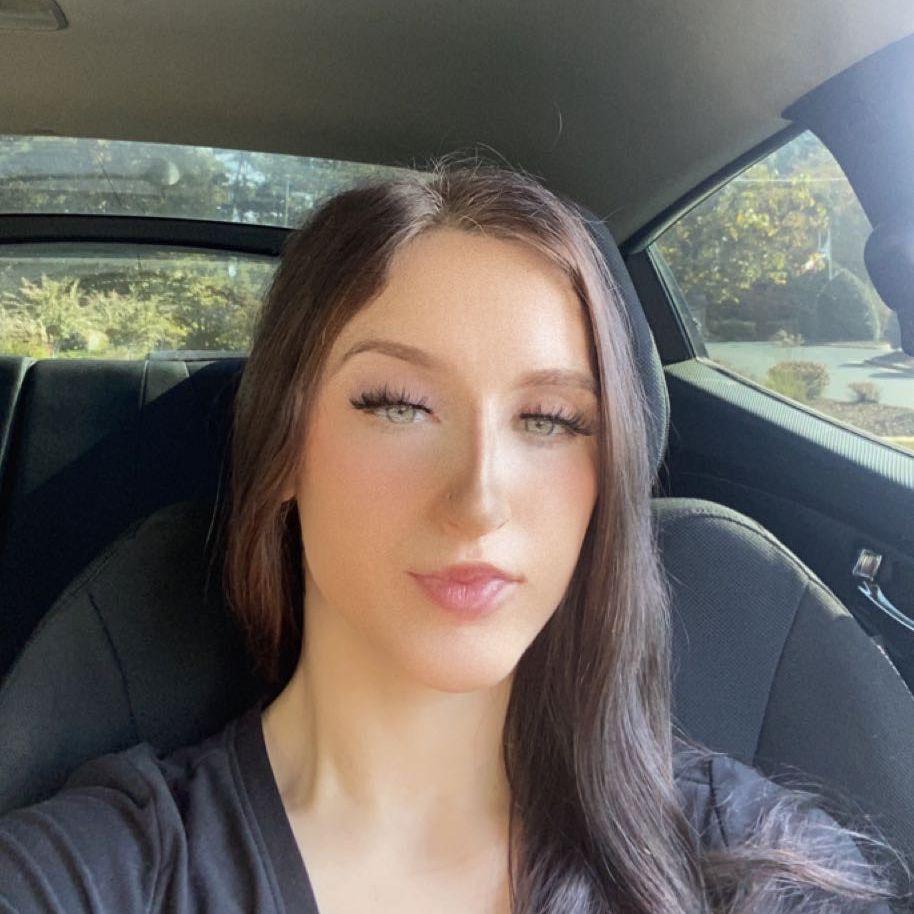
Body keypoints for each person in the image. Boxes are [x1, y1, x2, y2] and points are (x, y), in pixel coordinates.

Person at [0, 158, 909, 913]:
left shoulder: (744, 858)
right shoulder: (98, 872)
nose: (478, 500)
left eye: (550, 419)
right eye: (398, 405)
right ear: (283, 450)